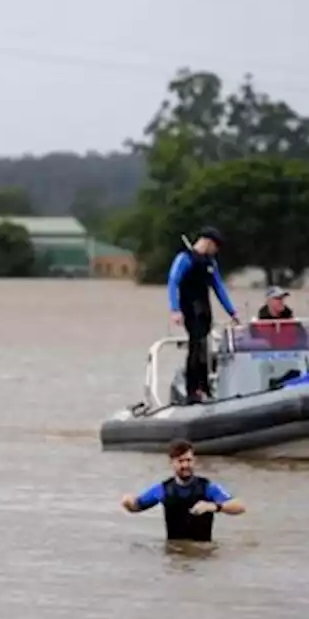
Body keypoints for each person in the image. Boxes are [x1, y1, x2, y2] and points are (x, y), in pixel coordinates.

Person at [120, 439, 245, 542]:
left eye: (188, 460)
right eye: (180, 461)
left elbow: (240, 507)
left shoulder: (207, 488)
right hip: (174, 556)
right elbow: (136, 506)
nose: (185, 465)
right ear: (172, 463)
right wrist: (128, 502)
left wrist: (213, 506)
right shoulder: (163, 489)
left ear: (194, 461)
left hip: (203, 555)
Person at [168, 227, 239, 403]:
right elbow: (173, 282)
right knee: (196, 347)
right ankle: (193, 390)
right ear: (208, 242)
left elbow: (218, 287)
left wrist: (232, 311)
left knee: (205, 349)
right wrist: (175, 309)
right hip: (190, 310)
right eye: (216, 246)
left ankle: (205, 387)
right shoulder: (185, 258)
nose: (217, 251)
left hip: (205, 311)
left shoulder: (210, 263)